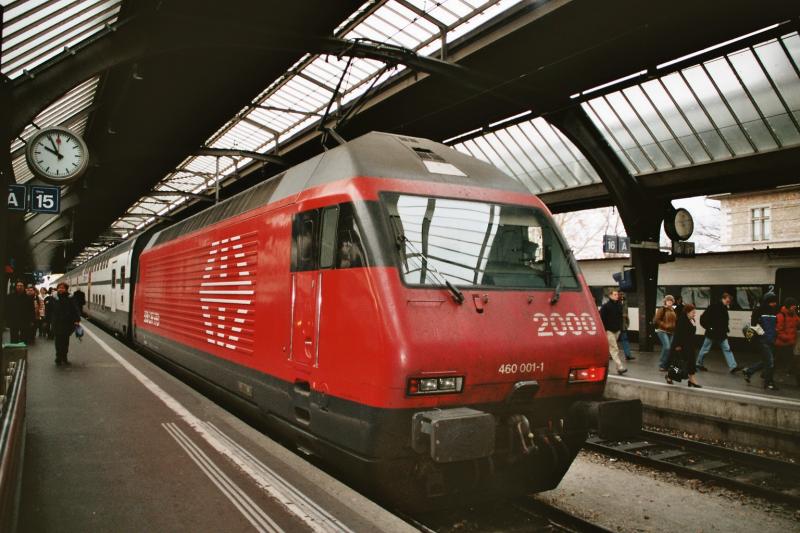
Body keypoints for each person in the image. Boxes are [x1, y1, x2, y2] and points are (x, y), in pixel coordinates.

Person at [696, 292, 740, 373]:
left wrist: (711, 328)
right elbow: (703, 319)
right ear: (723, 298)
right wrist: (709, 328)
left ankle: (733, 366)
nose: (729, 302)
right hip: (713, 333)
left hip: (720, 333)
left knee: (709, 349)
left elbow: (703, 318)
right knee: (707, 349)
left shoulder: (723, 307)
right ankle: (698, 363)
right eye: (728, 300)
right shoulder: (714, 307)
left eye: (729, 300)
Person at [743, 293, 779, 390]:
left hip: (771, 340)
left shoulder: (774, 311)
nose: (774, 304)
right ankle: (769, 383)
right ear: (768, 301)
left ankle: (749, 371)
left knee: (766, 361)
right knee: (770, 362)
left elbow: (775, 325)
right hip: (762, 341)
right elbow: (754, 325)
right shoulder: (758, 310)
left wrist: (775, 333)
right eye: (773, 302)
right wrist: (763, 334)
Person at [665, 304, 702, 388]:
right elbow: (678, 334)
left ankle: (691, 380)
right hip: (682, 346)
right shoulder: (682, 320)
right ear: (687, 312)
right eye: (693, 312)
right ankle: (669, 376)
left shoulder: (691, 320)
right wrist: (678, 346)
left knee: (689, 363)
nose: (694, 314)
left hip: (689, 346)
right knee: (678, 364)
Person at [50, 282, 81, 366]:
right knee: (58, 341)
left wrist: (77, 319)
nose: (61, 289)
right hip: (57, 323)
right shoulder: (53, 298)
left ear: (66, 289)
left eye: (63, 288)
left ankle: (64, 357)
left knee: (65, 342)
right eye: (59, 287)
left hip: (67, 323)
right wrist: (47, 320)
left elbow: (75, 309)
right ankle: (58, 358)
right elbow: (49, 310)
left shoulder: (70, 298)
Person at [600, 289, 627, 375]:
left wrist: (620, 328)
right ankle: (620, 367)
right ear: (610, 296)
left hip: (617, 330)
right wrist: (604, 329)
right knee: (614, 348)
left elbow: (620, 318)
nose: (617, 296)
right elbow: (601, 318)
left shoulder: (619, 305)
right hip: (609, 330)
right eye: (615, 294)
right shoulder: (605, 306)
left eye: (617, 294)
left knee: (609, 350)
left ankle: (603, 366)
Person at [775, 297, 798, 374]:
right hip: (783, 343)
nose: (795, 308)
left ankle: (765, 373)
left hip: (788, 343)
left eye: (795, 306)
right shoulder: (781, 315)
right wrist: (788, 338)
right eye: (793, 306)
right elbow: (779, 331)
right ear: (788, 306)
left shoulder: (793, 314)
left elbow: (798, 322)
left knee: (776, 360)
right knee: (793, 361)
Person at [653, 295, 677, 371]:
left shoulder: (673, 310)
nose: (669, 301)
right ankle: (662, 364)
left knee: (669, 349)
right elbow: (656, 320)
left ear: (673, 302)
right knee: (667, 347)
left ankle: (666, 365)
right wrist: (665, 325)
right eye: (668, 300)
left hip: (672, 331)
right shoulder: (662, 309)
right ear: (665, 301)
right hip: (662, 331)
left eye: (671, 300)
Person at [619, 291, 635, 361]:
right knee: (613, 341)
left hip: (623, 325)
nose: (622, 295)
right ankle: (610, 355)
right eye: (620, 294)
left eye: (623, 294)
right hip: (616, 325)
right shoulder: (615, 303)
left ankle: (628, 355)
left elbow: (626, 314)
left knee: (625, 339)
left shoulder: (625, 302)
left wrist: (627, 323)